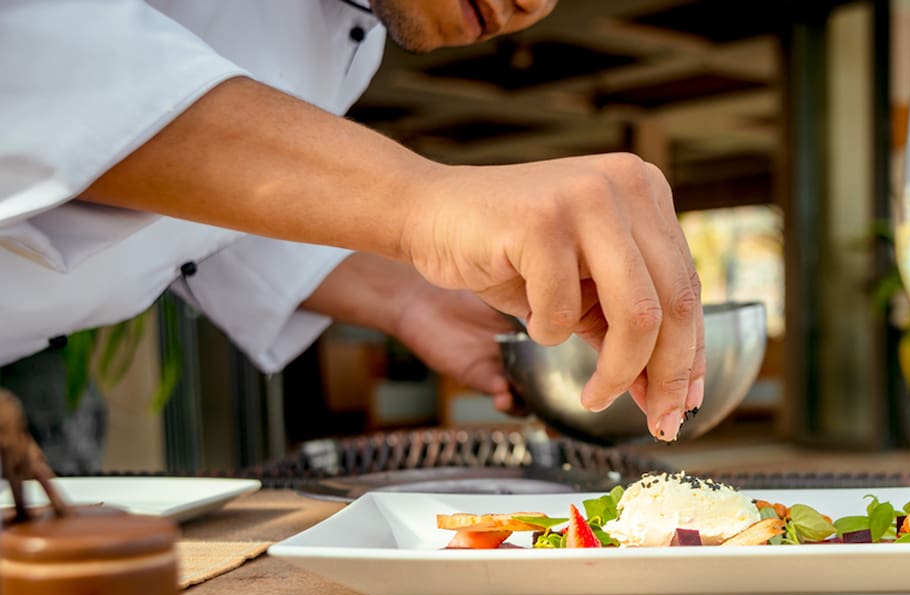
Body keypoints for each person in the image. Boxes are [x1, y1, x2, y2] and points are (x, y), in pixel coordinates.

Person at [0, 0, 705, 449]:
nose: (532, 5)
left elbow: (198, 205)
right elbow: (33, 53)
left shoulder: (357, 46)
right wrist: (425, 201)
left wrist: (406, 294)